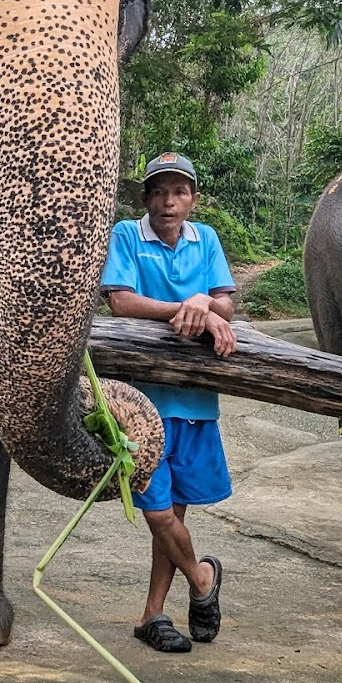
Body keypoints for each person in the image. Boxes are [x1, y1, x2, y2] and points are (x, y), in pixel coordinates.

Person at [101, 152, 237, 653]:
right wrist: (186, 307)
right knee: (157, 511)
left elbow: (226, 301)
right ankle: (203, 579)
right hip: (140, 405)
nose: (168, 201)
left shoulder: (208, 241)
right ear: (145, 199)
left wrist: (205, 304)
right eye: (159, 192)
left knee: (175, 513)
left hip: (196, 403)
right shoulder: (127, 236)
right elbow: (120, 301)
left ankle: (153, 616)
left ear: (193, 200)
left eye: (178, 192)